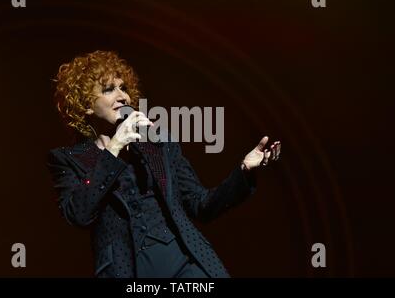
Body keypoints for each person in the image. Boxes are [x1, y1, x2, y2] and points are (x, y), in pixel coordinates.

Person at [47, 50, 281, 278]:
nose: (123, 96)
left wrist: (244, 171)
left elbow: (201, 205)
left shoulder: (158, 144)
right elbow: (79, 213)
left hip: (185, 262)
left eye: (124, 88)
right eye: (109, 89)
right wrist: (114, 148)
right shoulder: (68, 159)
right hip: (129, 269)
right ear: (86, 105)